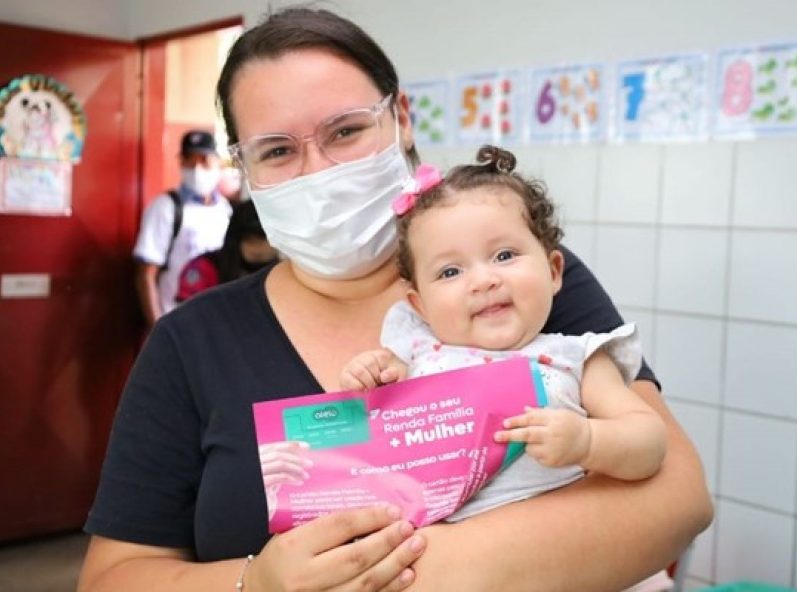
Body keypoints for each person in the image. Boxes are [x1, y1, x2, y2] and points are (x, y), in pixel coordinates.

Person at [78, 7, 713, 592]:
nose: (319, 172)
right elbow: (112, 577)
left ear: (401, 118)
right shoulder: (193, 341)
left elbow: (679, 497)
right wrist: (255, 583)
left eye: (346, 131)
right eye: (276, 150)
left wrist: (423, 569)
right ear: (244, 169)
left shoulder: (515, 286)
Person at [338, 144, 667, 521]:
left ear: (554, 271)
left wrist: (588, 441)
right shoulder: (414, 354)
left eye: (505, 255)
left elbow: (650, 442)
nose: (483, 280)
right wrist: (366, 377)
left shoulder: (577, 359)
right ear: (421, 306)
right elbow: (372, 440)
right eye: (450, 272)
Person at [133, 130, 232, 325]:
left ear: (217, 163)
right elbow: (146, 273)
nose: (196, 168)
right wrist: (158, 329)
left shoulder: (225, 210)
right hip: (175, 321)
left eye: (204, 160)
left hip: (215, 321)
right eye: (189, 160)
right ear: (181, 162)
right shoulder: (166, 207)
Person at [176, 199, 279, 303]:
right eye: (250, 240)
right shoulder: (205, 268)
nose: (258, 248)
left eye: (265, 240)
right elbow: (185, 314)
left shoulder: (284, 274)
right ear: (236, 239)